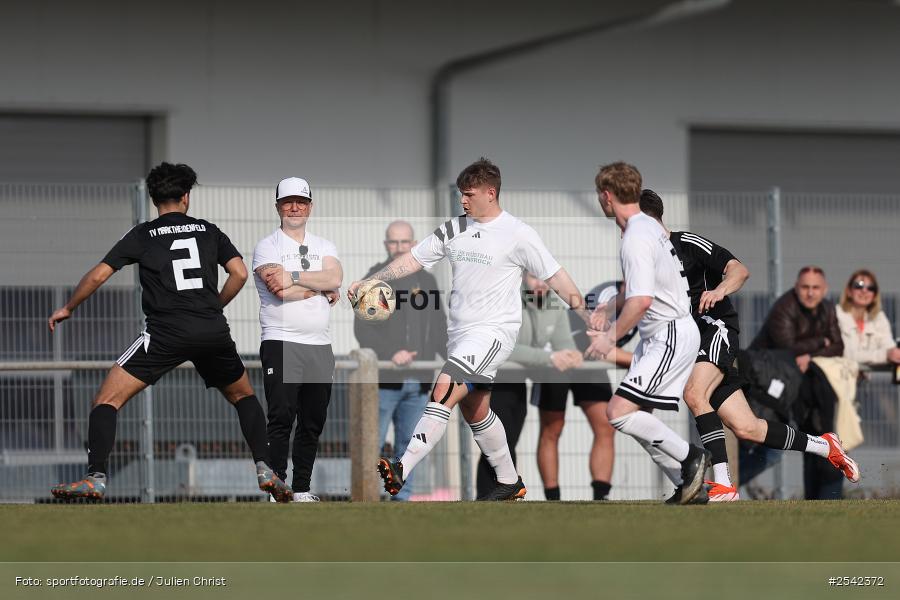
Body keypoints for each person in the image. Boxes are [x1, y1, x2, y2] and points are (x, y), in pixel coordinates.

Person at [348, 158, 591, 501]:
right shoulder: (453, 228)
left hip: (494, 333)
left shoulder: (518, 233)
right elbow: (413, 260)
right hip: (460, 336)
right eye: (461, 194)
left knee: (444, 387)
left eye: (469, 194)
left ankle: (402, 467)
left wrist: (583, 312)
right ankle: (509, 481)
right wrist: (372, 279)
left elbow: (555, 275)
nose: (462, 200)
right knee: (475, 410)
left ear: (490, 193)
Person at [48, 162, 292, 502]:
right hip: (212, 330)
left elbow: (98, 275)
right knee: (244, 396)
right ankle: (267, 468)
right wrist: (214, 306)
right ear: (186, 197)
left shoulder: (142, 235)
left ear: (153, 198)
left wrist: (68, 307)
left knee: (105, 399)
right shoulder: (209, 231)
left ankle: (96, 477)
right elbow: (237, 273)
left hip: (165, 333)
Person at [640, 190, 861, 502]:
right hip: (687, 343)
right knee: (747, 428)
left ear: (647, 220)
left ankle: (724, 485)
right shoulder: (645, 259)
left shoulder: (688, 243)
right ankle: (826, 445)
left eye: (629, 224)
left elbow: (739, 270)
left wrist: (719, 291)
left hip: (714, 329)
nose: (626, 232)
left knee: (694, 393)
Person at [583, 162, 708, 504]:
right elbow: (639, 289)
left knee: (617, 412)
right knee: (637, 418)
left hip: (668, 334)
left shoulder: (635, 236)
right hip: (665, 335)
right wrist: (609, 308)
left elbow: (641, 300)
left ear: (606, 197)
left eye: (598, 195)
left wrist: (610, 337)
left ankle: (690, 457)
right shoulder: (646, 228)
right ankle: (690, 487)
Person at [253, 177, 342, 502]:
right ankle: (278, 490)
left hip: (319, 345)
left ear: (310, 206)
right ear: (278, 206)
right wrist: (318, 287)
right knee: (281, 417)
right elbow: (279, 290)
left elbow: (335, 277)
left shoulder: (324, 245)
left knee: (312, 422)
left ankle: (301, 489)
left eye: (301, 202)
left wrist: (293, 277)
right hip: (281, 341)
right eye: (288, 202)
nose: (295, 207)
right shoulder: (268, 246)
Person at [354, 220, 448, 501]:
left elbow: (440, 327)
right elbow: (362, 328)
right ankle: (366, 497)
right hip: (385, 380)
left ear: (414, 244)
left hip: (419, 381)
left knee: (410, 445)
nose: (399, 248)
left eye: (404, 242)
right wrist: (390, 353)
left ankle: (401, 499)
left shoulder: (427, 281)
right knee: (373, 442)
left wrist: (452, 361)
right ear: (386, 245)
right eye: (393, 242)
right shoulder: (374, 279)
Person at [474, 271, 584, 500]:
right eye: (534, 278)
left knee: (510, 439)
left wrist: (572, 355)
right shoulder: (508, 299)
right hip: (496, 378)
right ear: (523, 277)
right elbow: (506, 347)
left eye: (545, 279)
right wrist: (550, 358)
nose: (540, 284)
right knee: (499, 441)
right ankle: (487, 494)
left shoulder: (554, 304)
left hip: (518, 380)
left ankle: (500, 494)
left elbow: (565, 344)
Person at [750, 266, 857, 499]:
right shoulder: (784, 308)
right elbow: (787, 351)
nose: (810, 293)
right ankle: (725, 484)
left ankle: (824, 497)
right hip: (766, 386)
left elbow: (838, 346)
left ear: (824, 289)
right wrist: (821, 342)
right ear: (796, 288)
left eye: (815, 287)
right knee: (763, 449)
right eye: (805, 287)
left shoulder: (828, 309)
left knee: (815, 440)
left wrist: (809, 355)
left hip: (803, 386)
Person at [537, 281, 633, 501]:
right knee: (552, 428)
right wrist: (643, 362)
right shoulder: (607, 296)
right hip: (561, 357)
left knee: (606, 426)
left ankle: (601, 497)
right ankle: (552, 499)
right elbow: (602, 349)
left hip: (589, 363)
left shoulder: (643, 302)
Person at [836, 269, 900, 368]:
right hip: (837, 380)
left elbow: (890, 348)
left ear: (874, 295)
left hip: (863, 382)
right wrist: (884, 355)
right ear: (849, 291)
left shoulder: (879, 318)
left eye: (871, 288)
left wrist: (891, 354)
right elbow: (844, 353)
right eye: (859, 286)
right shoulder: (836, 315)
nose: (864, 291)